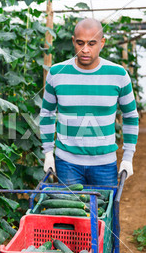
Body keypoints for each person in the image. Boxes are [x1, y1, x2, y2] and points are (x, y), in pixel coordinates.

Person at [39, 18, 139, 186]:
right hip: (67, 163)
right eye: (80, 43)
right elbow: (46, 114)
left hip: (105, 165)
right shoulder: (56, 73)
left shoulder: (118, 75)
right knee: (70, 211)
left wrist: (128, 157)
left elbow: (130, 116)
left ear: (102, 43)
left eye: (91, 44)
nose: (85, 50)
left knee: (104, 211)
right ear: (73, 41)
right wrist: (48, 153)